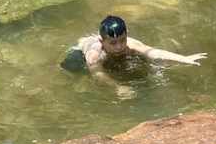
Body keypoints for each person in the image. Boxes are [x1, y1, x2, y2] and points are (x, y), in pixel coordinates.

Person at [65, 16, 207, 98]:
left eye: (122, 40)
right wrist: (118, 87)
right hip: (79, 52)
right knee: (74, 72)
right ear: (103, 42)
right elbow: (98, 74)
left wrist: (184, 58)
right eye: (113, 43)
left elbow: (153, 52)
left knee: (146, 62)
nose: (119, 46)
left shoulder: (131, 45)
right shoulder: (95, 54)